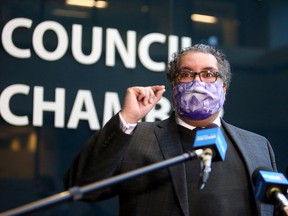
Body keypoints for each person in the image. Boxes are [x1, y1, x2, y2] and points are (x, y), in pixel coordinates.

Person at [64, 44, 277, 216]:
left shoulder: (257, 145)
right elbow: (83, 185)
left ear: (224, 88)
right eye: (186, 74)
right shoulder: (136, 137)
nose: (197, 82)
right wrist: (127, 118)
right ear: (174, 85)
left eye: (208, 74)